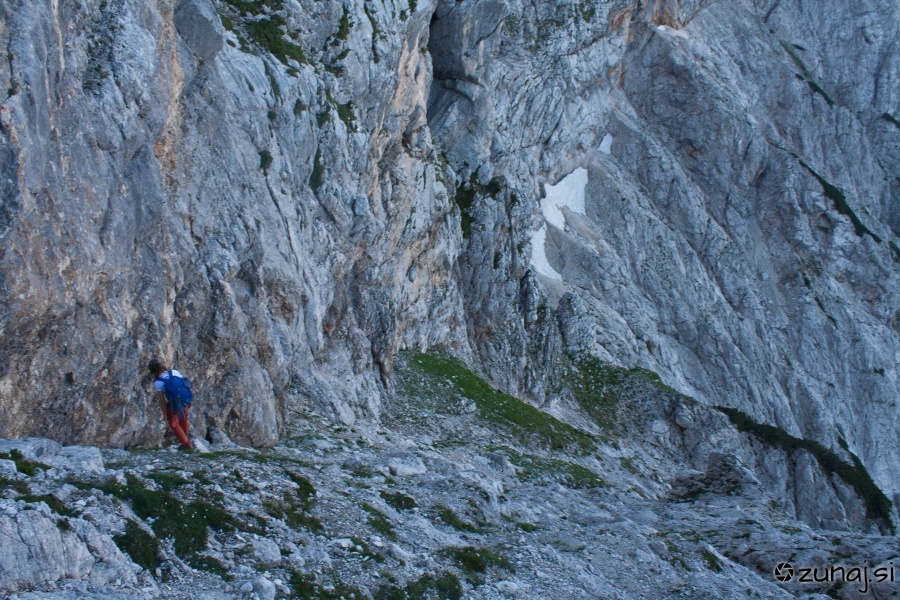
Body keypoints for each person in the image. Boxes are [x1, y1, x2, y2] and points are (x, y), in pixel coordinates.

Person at [148, 359, 193, 450]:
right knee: (183, 419)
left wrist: (164, 414)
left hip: (175, 403)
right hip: (186, 399)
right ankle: (185, 441)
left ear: (153, 372)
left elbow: (162, 401)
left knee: (174, 424)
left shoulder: (158, 383)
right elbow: (184, 384)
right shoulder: (174, 372)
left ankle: (186, 444)